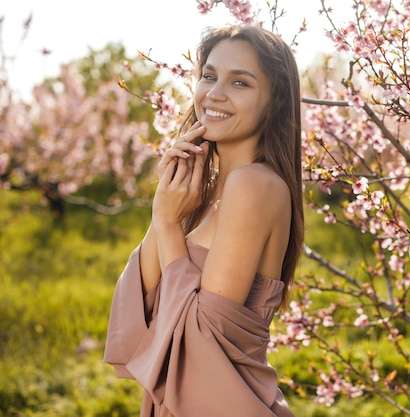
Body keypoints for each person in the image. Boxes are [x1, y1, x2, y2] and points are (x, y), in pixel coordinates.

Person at [103, 24, 303, 417]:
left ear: (274, 101)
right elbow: (136, 307)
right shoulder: (204, 191)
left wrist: (166, 225)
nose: (214, 93)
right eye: (209, 76)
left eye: (240, 82)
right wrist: (166, 208)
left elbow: (199, 338)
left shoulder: (254, 185)